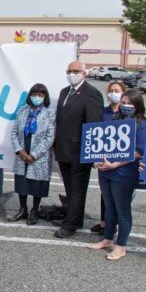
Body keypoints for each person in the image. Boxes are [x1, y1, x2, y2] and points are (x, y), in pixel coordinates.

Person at [88, 89, 146, 260]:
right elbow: (102, 142)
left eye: (130, 103)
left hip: (124, 173)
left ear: (138, 105)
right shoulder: (115, 119)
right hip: (106, 171)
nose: (126, 106)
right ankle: (108, 238)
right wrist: (98, 160)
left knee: (122, 209)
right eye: (124, 103)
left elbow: (138, 151)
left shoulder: (141, 124)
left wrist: (115, 163)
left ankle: (121, 245)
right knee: (109, 207)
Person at [53, 61, 104, 238]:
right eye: (69, 71)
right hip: (63, 149)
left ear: (84, 73)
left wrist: (92, 153)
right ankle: (73, 216)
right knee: (69, 188)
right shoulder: (64, 92)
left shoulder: (92, 94)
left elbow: (94, 125)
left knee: (77, 190)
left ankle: (71, 224)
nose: (72, 74)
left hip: (79, 151)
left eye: (76, 71)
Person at [9, 84, 56, 225]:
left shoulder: (49, 113)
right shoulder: (22, 111)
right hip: (22, 152)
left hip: (39, 156)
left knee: (37, 184)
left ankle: (34, 210)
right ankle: (22, 209)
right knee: (22, 182)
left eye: (40, 95)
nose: (37, 97)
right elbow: (14, 133)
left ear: (45, 97)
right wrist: (20, 151)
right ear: (30, 95)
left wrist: (34, 154)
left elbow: (50, 137)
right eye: (35, 94)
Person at [91, 80, 127, 235]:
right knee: (105, 194)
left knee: (118, 196)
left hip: (120, 161)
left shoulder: (126, 113)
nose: (114, 93)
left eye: (117, 90)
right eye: (111, 90)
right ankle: (104, 222)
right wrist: (94, 158)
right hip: (104, 159)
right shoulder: (103, 112)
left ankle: (116, 224)